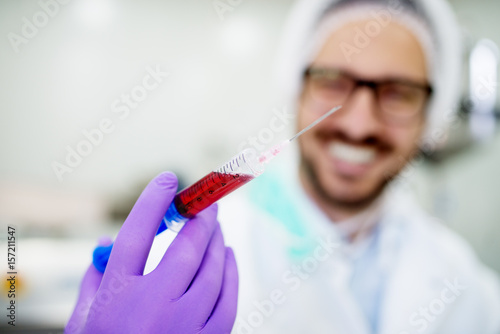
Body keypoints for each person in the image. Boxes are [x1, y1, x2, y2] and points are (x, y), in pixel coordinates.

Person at [67, 0, 500, 333]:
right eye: (334, 81)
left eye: (399, 92)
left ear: (431, 113)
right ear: (296, 90)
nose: (359, 123)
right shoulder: (181, 260)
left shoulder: (466, 282)